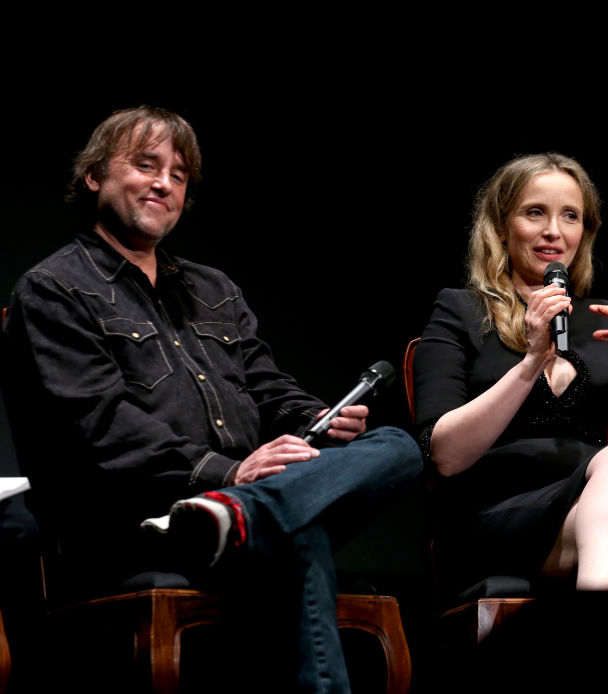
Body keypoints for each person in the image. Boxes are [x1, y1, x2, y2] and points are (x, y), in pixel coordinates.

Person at [1, 106, 421, 692]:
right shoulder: (52, 290)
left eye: (177, 174)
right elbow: (101, 426)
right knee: (297, 528)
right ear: (94, 176)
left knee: (398, 447)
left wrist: (316, 418)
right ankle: (248, 511)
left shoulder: (213, 289)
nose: (163, 183)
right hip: (129, 524)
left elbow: (265, 384)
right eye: (145, 165)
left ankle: (243, 514)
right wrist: (228, 471)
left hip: (238, 506)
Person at [413, 153, 608, 598]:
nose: (554, 231)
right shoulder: (460, 311)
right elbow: (445, 455)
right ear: (502, 226)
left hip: (599, 510)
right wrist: (531, 362)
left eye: (570, 216)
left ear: (585, 232)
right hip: (496, 519)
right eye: (534, 213)